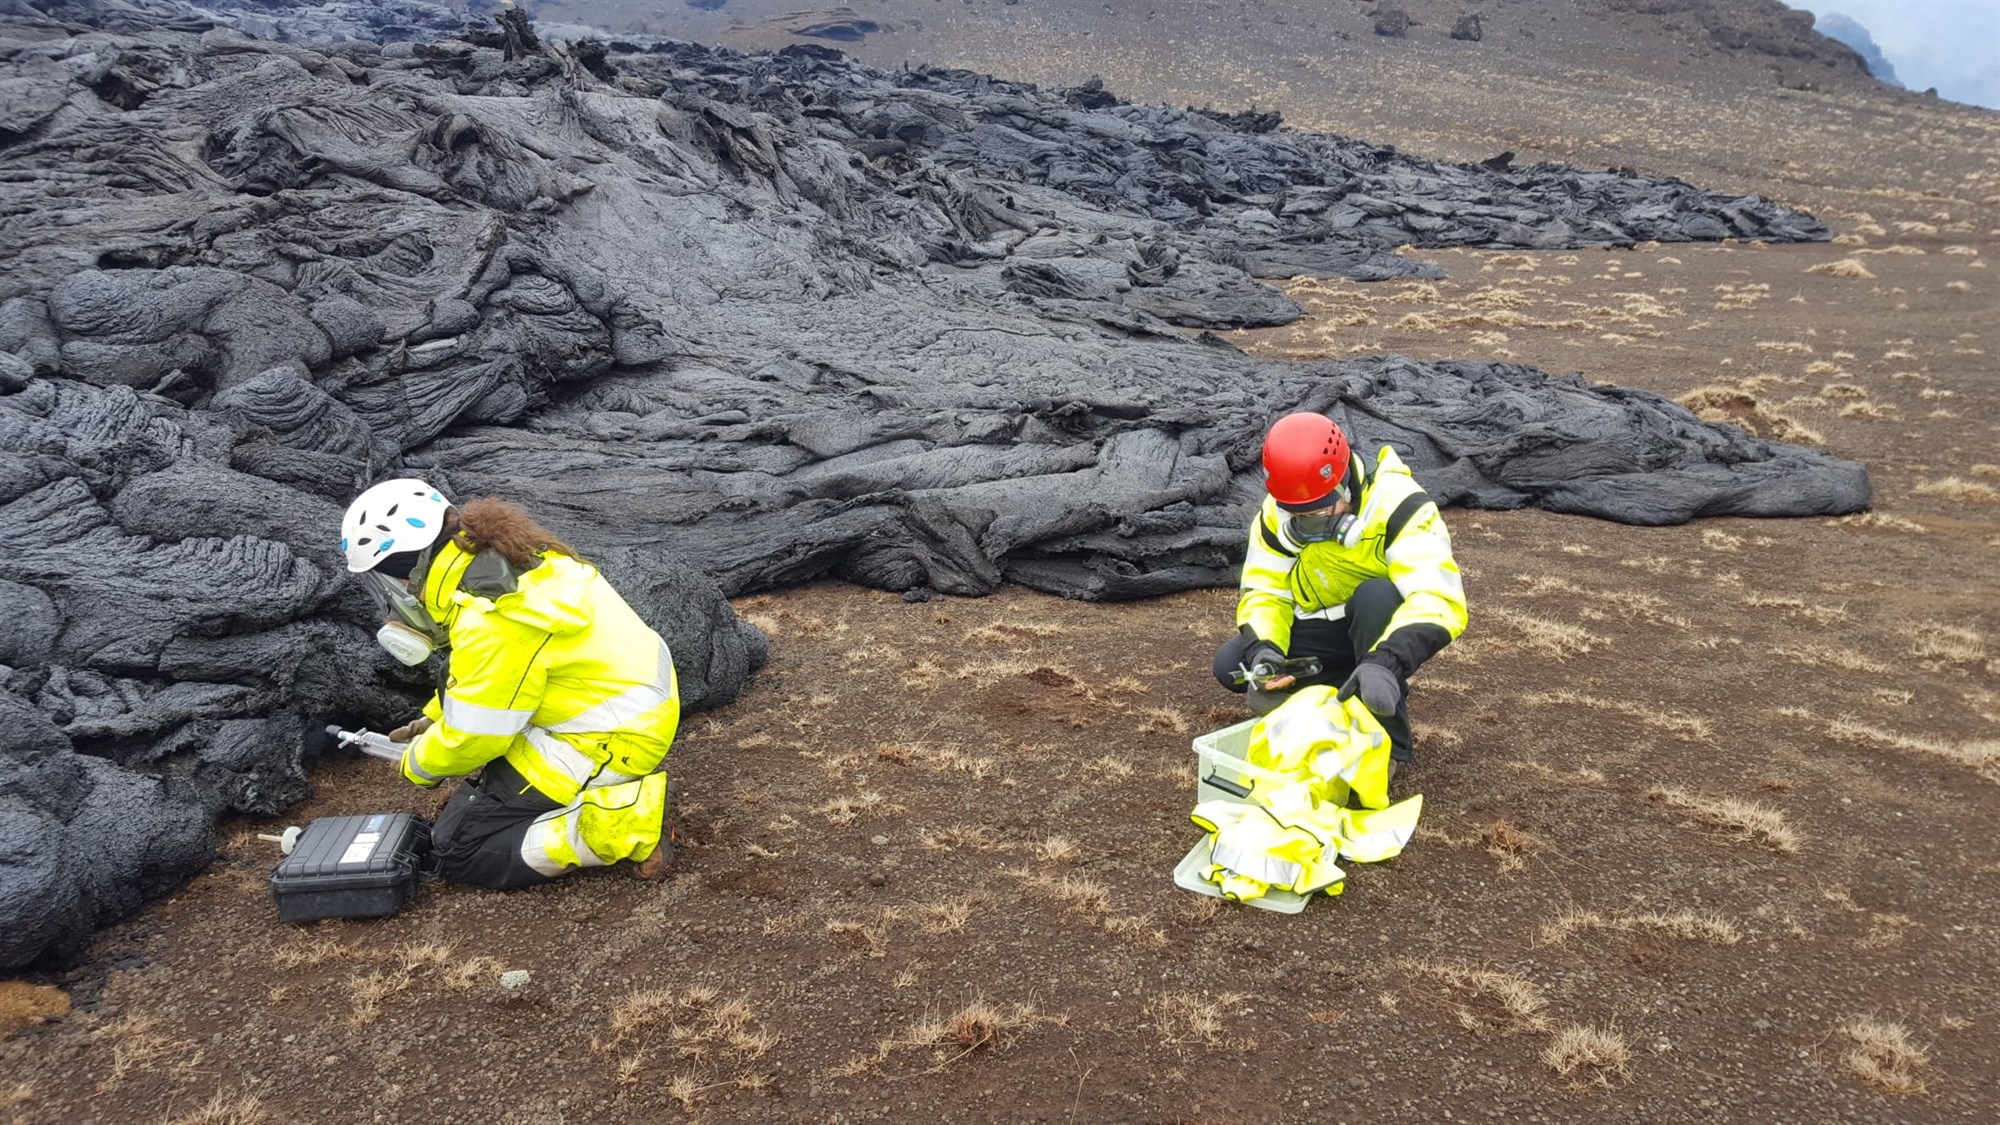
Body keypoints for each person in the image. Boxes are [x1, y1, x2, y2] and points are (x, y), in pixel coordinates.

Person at [339, 478, 680, 887]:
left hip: (608, 736)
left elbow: (477, 736)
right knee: (465, 816)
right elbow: (483, 680)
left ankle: (628, 825)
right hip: (612, 707)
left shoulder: (492, 616)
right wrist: (433, 720)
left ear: (406, 572)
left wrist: (418, 762)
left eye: (386, 582)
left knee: (461, 849)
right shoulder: (505, 564)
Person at [1212, 413, 1468, 775]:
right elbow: (1264, 590)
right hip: (1326, 627)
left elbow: (1439, 598)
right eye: (1296, 516)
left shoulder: (1399, 504)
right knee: (1232, 665)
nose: (1306, 527)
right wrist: (1265, 652)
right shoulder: (1277, 514)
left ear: (1344, 486)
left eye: (1318, 513)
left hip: (1380, 627)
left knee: (1375, 596)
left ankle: (1386, 741)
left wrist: (1388, 661)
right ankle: (1337, 691)